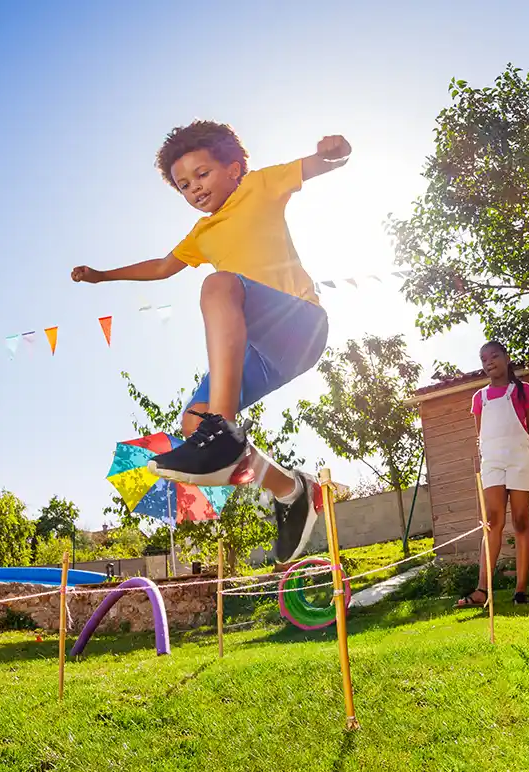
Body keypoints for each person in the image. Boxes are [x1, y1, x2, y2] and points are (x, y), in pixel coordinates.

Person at [71, 120, 351, 562]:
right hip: (261, 351)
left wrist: (334, 150)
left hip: (299, 324)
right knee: (192, 423)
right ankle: (291, 491)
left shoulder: (259, 186)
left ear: (234, 169)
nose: (194, 189)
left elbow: (320, 164)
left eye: (202, 174)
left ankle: (222, 432)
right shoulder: (201, 234)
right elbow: (162, 267)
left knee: (219, 286)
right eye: (184, 185)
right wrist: (103, 276)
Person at [456, 341, 529, 608]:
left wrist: (520, 448)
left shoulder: (524, 391)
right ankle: (483, 590)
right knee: (492, 521)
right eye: (483, 359)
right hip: (492, 461)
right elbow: (482, 435)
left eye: (494, 356)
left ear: (506, 358)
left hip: (518, 459)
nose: (489, 362)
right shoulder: (479, 398)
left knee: (520, 520)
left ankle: (521, 590)